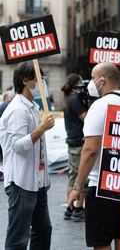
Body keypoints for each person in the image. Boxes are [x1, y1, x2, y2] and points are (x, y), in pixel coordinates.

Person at [67, 63, 120, 250]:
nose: (90, 82)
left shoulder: (100, 106)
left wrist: (77, 186)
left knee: (101, 241)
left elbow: (90, 150)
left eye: (92, 78)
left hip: (101, 186)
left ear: (102, 80)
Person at [0, 61, 55, 250]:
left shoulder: (31, 107)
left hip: (36, 183)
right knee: (18, 237)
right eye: (39, 80)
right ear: (26, 81)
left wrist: (44, 177)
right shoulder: (17, 110)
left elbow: (39, 148)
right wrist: (41, 128)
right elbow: (18, 146)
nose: (42, 84)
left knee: (42, 230)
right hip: (21, 183)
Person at [61, 73, 88, 221]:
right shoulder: (74, 100)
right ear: (76, 85)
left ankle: (70, 208)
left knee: (73, 176)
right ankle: (78, 208)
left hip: (72, 141)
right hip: (79, 142)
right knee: (82, 176)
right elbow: (86, 118)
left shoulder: (68, 99)